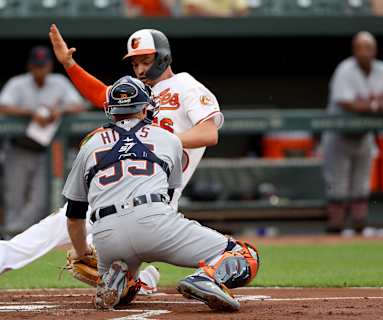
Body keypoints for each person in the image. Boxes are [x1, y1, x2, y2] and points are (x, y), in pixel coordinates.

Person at [0, 25, 222, 294]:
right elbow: (101, 95)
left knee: (98, 251)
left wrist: (156, 141)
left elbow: (209, 132)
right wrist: (69, 64)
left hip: (156, 199)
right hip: (117, 188)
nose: (139, 68)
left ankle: (138, 281)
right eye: (135, 62)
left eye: (146, 60)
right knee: (60, 224)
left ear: (163, 57)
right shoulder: (136, 92)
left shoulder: (185, 85)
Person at [64, 76, 259, 311]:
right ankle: (206, 278)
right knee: (245, 254)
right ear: (146, 107)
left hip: (106, 236)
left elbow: (74, 215)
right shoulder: (169, 139)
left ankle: (121, 279)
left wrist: (82, 251)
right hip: (154, 221)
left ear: (110, 110)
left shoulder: (89, 144)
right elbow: (166, 197)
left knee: (125, 282)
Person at [0, 45, 86, 234]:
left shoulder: (59, 82)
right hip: (19, 148)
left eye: (43, 65)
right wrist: (31, 113)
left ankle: (18, 236)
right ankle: (11, 238)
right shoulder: (17, 83)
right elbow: (2, 107)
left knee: (40, 200)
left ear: (49, 66)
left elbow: (79, 105)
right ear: (30, 66)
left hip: (44, 152)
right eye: (36, 66)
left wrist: (59, 110)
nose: (40, 69)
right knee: (14, 199)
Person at [322, 31, 383, 234]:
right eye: (359, 48)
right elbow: (347, 103)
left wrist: (368, 105)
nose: (364, 52)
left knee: (362, 184)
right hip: (339, 135)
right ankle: (335, 229)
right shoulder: (345, 69)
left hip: (363, 135)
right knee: (337, 185)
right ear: (354, 51)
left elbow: (362, 105)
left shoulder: (381, 70)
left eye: (368, 48)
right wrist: (375, 106)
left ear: (375, 50)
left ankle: (359, 227)